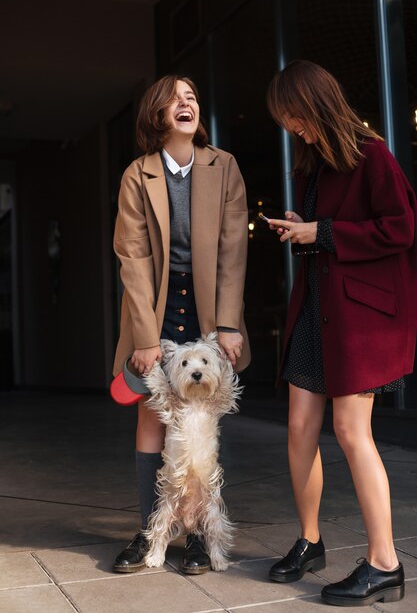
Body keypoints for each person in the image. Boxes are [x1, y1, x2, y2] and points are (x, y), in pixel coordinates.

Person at [265, 60, 417, 607]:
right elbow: (325, 236)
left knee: (353, 432)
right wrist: (302, 231)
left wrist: (322, 231)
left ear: (317, 105)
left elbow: (400, 228)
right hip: (316, 309)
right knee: (299, 427)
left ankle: (385, 564)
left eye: (295, 116)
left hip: (361, 317)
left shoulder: (370, 154)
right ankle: (310, 541)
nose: (292, 128)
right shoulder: (312, 165)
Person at [111, 74, 250, 575]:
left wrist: (230, 323)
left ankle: (195, 537)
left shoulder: (225, 166)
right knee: (153, 417)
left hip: (212, 309)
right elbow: (132, 254)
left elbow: (235, 249)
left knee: (203, 419)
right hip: (158, 308)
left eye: (191, 96)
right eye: (174, 99)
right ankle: (151, 532)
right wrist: (146, 336)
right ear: (158, 115)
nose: (185, 104)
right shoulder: (138, 173)